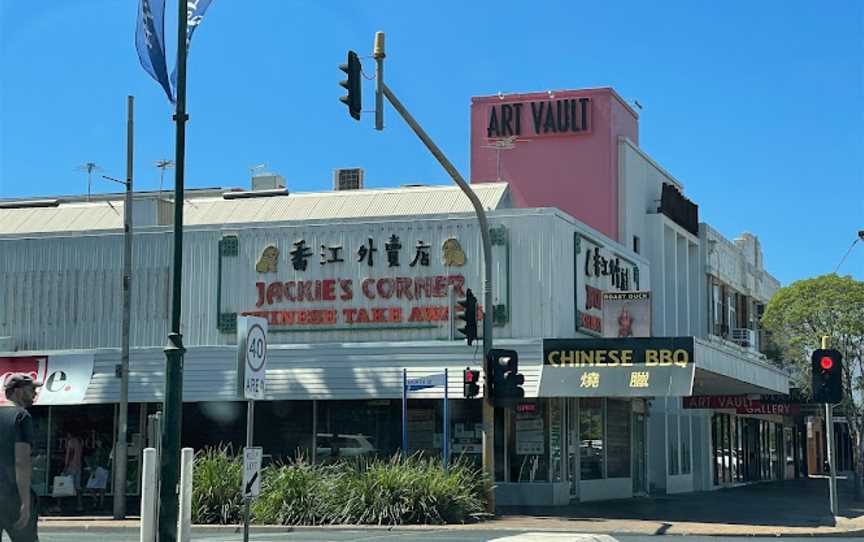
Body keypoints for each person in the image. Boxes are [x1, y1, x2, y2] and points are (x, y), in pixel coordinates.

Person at [1, 373, 41, 542]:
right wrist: (25, 502)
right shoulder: (21, 416)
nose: (35, 393)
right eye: (31, 389)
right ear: (17, 391)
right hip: (13, 496)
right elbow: (21, 461)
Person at [62, 429, 84, 512]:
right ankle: (79, 505)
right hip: (78, 466)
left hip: (71, 466)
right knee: (78, 487)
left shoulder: (71, 442)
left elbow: (70, 454)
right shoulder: (79, 442)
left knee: (63, 484)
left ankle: (60, 505)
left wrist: (66, 466)